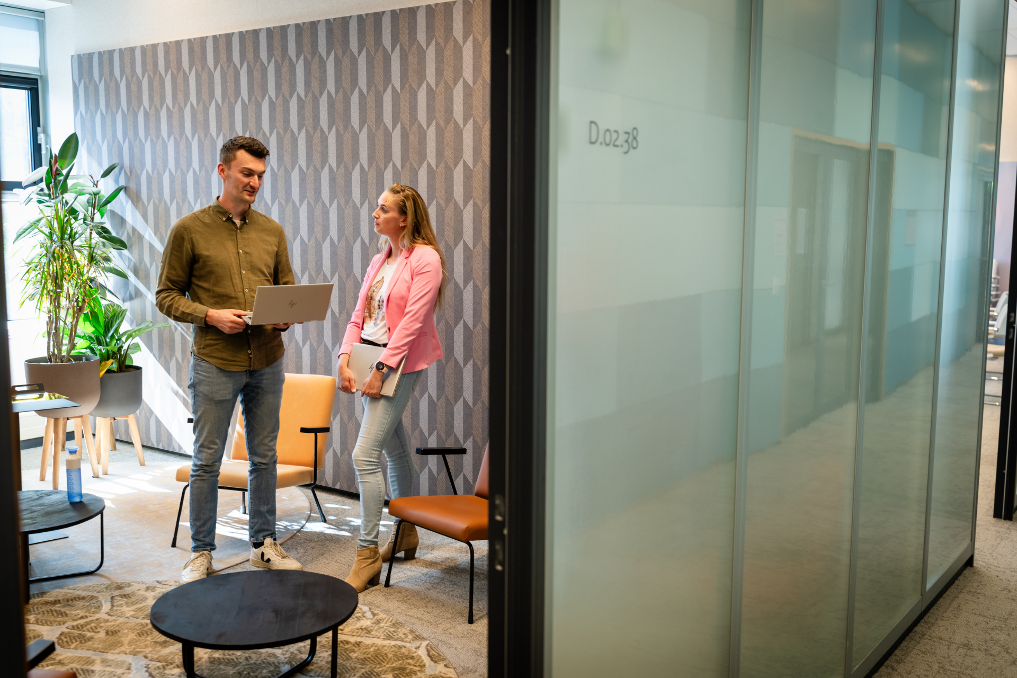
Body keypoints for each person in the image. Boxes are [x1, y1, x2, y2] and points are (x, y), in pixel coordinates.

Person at [156, 136, 303, 583]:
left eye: (260, 175)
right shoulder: (188, 229)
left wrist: (284, 318)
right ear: (223, 171)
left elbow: (288, 294)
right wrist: (210, 315)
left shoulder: (272, 231)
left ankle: (264, 545)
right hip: (215, 361)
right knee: (207, 460)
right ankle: (201, 553)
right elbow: (165, 296)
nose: (255, 182)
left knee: (264, 457)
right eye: (247, 173)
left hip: (267, 360)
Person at [337, 183, 446, 592]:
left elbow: (414, 323)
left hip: (400, 363)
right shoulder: (379, 260)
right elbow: (357, 316)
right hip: (369, 358)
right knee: (392, 447)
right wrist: (344, 360)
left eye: (383, 209)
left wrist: (382, 369)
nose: (375, 214)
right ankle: (407, 531)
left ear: (405, 218)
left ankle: (366, 553)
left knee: (363, 455)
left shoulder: (426, 259)